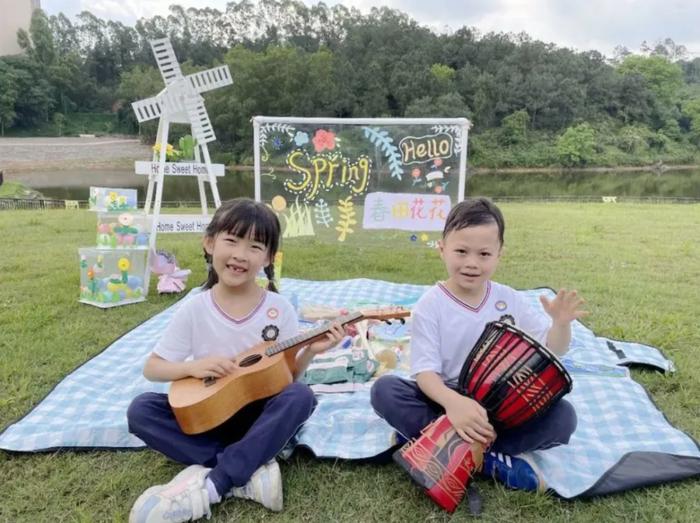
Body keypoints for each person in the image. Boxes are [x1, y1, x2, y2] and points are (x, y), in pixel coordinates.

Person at [127, 198, 344, 522]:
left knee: (301, 396)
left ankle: (217, 483)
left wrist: (310, 351)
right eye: (231, 240)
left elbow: (287, 378)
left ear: (269, 257)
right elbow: (153, 368)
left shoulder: (279, 309)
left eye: (255, 246)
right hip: (209, 414)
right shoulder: (195, 308)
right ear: (210, 243)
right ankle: (250, 468)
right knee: (141, 410)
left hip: (259, 414)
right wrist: (191, 367)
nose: (240, 254)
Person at [371, 197, 586, 492]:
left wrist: (561, 324)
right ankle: (490, 461)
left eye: (484, 253)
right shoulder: (430, 305)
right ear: (442, 250)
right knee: (385, 391)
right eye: (461, 251)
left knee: (564, 417)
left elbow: (553, 349)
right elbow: (425, 374)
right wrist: (454, 403)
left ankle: (439, 444)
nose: (472, 263)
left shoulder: (509, 298)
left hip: (500, 406)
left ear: (499, 254)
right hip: (446, 399)